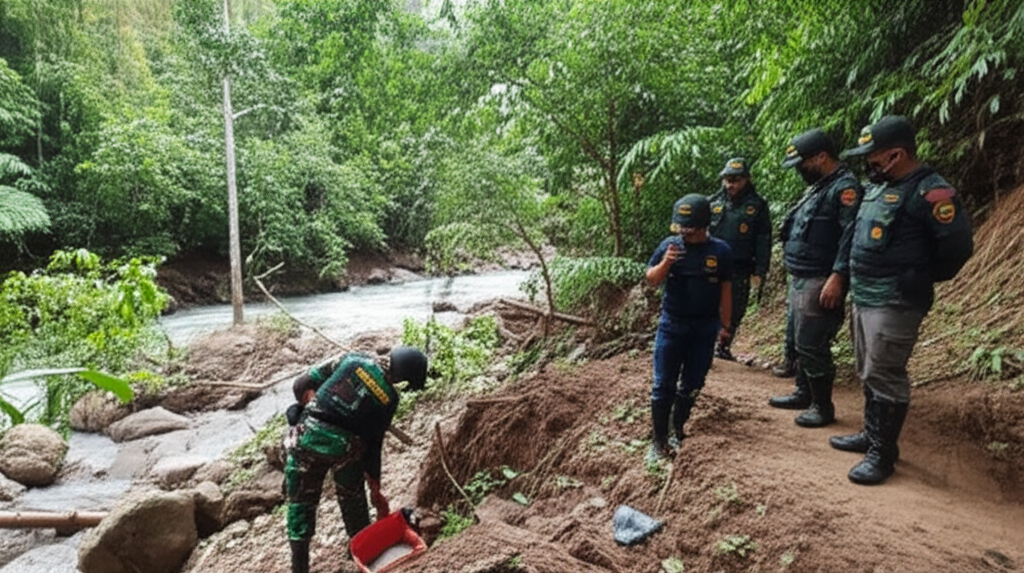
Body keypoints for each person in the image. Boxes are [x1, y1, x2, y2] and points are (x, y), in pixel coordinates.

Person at [835, 115, 972, 485]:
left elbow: (957, 247)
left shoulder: (931, 192)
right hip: (864, 295)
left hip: (895, 299)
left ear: (896, 154)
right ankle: (871, 434)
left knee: (884, 371)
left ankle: (883, 453)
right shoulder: (880, 186)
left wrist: (920, 275)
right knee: (868, 367)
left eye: (874, 157)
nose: (868, 164)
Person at [284, 346, 428, 573]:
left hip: (306, 437)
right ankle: (361, 555)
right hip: (345, 449)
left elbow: (301, 384)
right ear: (403, 378)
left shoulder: (354, 358)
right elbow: (373, 447)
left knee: (300, 505)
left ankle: (299, 567)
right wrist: (376, 491)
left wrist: (305, 409)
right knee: (353, 503)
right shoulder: (389, 398)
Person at [768, 128, 863, 428]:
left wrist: (838, 276)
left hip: (821, 277)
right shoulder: (821, 186)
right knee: (798, 339)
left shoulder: (845, 188)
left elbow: (850, 236)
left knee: (811, 342)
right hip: (802, 274)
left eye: (802, 164)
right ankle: (803, 392)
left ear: (821, 157)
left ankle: (823, 406)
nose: (799, 171)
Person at [645, 194, 733, 461]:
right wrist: (667, 262)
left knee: (694, 382)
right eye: (681, 227)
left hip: (705, 328)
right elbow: (651, 279)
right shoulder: (669, 246)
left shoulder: (721, 252)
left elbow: (726, 290)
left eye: (689, 227)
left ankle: (677, 429)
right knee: (663, 385)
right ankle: (658, 442)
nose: (684, 232)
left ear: (703, 224)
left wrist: (726, 326)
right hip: (672, 325)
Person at [709, 157, 772, 360]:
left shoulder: (758, 206)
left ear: (746, 180)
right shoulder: (712, 203)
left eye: (735, 180)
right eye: (727, 179)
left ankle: (724, 346)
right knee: (707, 303)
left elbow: (763, 239)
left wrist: (760, 270)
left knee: (735, 307)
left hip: (740, 267)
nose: (730, 184)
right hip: (711, 265)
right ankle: (705, 343)